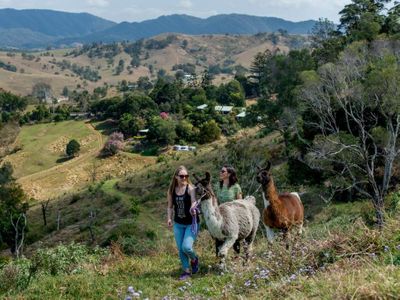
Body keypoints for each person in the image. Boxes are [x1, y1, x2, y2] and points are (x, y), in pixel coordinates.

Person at [167, 165, 200, 280]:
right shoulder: (172, 190)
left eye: (186, 176)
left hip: (191, 223)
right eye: (182, 176)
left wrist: (193, 208)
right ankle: (186, 271)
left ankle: (194, 259)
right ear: (176, 177)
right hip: (178, 223)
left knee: (187, 247)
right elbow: (170, 207)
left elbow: (193, 201)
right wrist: (169, 218)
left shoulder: (191, 188)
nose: (184, 178)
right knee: (180, 249)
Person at [213, 165, 243, 256]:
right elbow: (215, 200)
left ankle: (236, 258)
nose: (220, 173)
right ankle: (219, 259)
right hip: (220, 216)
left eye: (223, 171)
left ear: (229, 174)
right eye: (221, 171)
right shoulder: (217, 186)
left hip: (233, 217)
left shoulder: (236, 187)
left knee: (235, 238)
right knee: (218, 238)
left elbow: (240, 203)